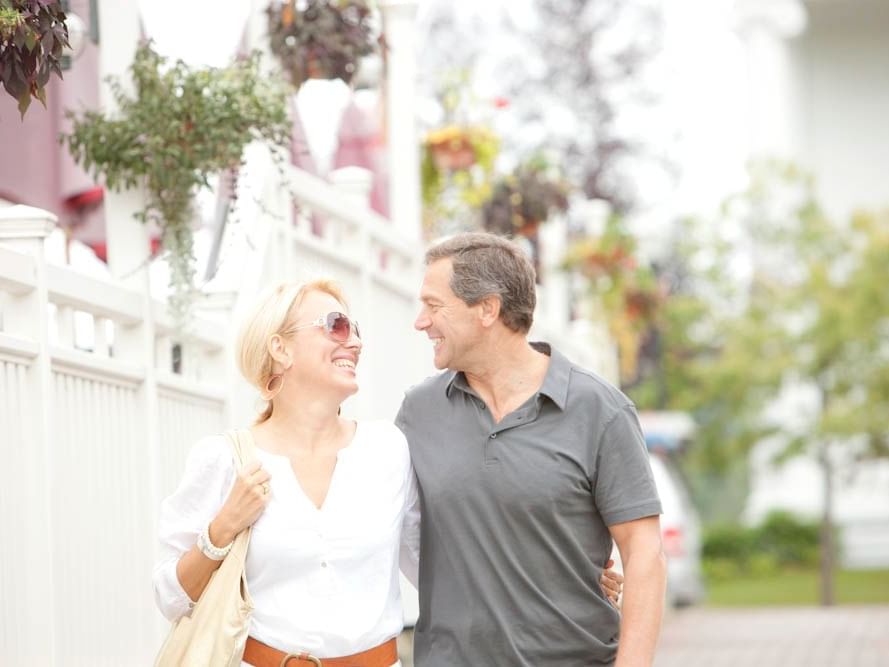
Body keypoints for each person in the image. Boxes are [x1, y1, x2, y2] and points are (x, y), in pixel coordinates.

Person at [153, 279, 622, 667]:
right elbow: (171, 596)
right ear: (280, 347)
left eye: (355, 328)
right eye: (335, 326)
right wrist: (222, 528)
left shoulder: (387, 450)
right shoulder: (225, 459)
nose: (354, 341)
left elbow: (440, 564)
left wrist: (563, 572)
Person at [396, 232, 666, 667]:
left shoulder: (600, 410)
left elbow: (644, 553)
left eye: (434, 304)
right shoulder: (419, 413)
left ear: (487, 308)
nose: (420, 321)